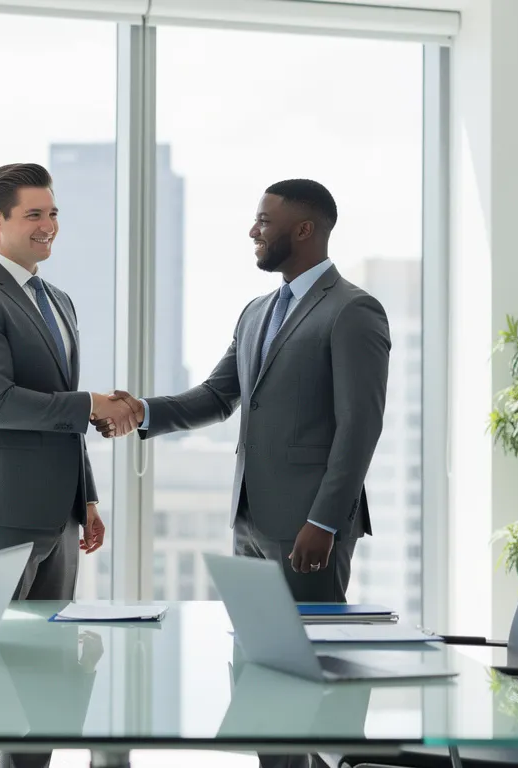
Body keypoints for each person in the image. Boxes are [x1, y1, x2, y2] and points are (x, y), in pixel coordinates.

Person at [101, 178, 390, 605]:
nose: (253, 232)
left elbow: (360, 427)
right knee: (253, 640)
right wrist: (141, 410)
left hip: (309, 525)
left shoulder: (352, 310)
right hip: (249, 521)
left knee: (310, 643)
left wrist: (325, 521)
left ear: (304, 230)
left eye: (264, 222)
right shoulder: (255, 313)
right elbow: (217, 397)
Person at [0, 162, 139, 768]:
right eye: (34, 214)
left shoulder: (60, 301)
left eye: (53, 213)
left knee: (47, 678)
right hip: (0, 512)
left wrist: (87, 496)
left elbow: (60, 410)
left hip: (59, 516)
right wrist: (92, 404)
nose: (48, 225)